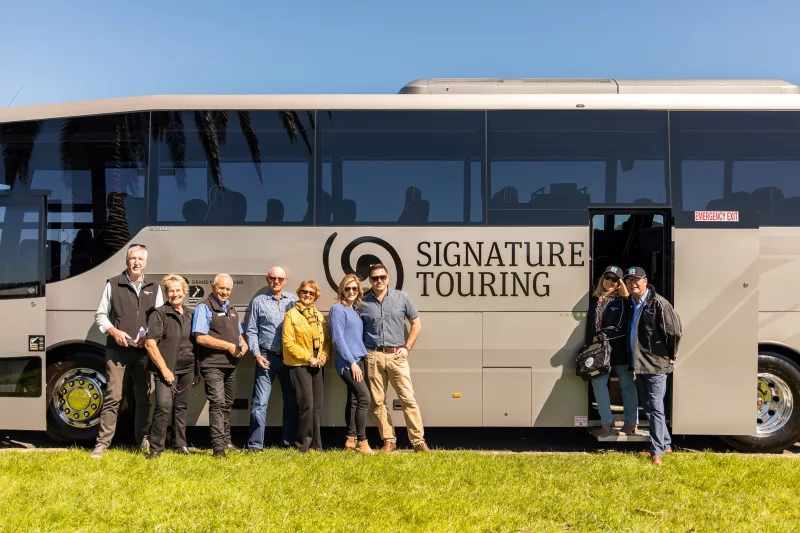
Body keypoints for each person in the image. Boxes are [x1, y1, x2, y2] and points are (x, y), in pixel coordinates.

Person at [91, 243, 163, 458]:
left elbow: (158, 320)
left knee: (143, 398)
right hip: (117, 351)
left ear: (145, 263)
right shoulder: (114, 284)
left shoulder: (155, 287)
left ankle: (143, 439)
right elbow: (100, 315)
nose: (136, 262)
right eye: (133, 258)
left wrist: (148, 337)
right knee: (113, 397)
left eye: (140, 259)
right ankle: (102, 444)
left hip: (143, 352)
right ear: (127, 261)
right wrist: (114, 331)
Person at [360, 264, 430, 453]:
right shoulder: (363, 302)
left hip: (397, 356)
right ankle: (389, 440)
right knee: (378, 402)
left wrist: (407, 347)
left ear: (388, 277)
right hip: (373, 355)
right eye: (375, 278)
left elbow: (416, 324)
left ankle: (418, 441)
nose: (379, 281)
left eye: (382, 277)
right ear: (370, 280)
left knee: (408, 399)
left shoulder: (402, 298)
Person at [623, 266, 682, 466]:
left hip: (656, 365)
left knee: (656, 407)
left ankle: (656, 452)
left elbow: (674, 331)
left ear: (645, 282)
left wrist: (671, 354)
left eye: (636, 280)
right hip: (638, 364)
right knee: (649, 406)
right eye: (629, 281)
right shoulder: (630, 303)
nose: (632, 284)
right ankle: (666, 445)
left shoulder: (659, 303)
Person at [192, 273, 248, 458]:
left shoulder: (231, 307)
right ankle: (218, 448)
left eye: (228, 289)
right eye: (221, 288)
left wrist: (243, 344)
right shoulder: (204, 307)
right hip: (212, 364)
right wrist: (229, 346)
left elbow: (238, 333)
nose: (224, 292)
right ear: (212, 286)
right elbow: (200, 337)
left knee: (227, 403)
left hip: (230, 365)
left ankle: (226, 441)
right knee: (217, 403)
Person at [245, 266, 299, 451]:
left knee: (291, 402)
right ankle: (255, 445)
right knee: (259, 403)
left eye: (280, 279)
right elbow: (251, 330)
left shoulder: (294, 301)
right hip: (266, 357)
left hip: (289, 359)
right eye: (273, 278)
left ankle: (288, 442)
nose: (276, 281)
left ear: (285, 281)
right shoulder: (258, 302)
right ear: (267, 279)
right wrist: (257, 354)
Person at [144, 274, 198, 459]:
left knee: (181, 407)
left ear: (185, 291)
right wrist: (165, 370)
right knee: (164, 406)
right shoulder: (159, 313)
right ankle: (156, 448)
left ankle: (180, 444)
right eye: (171, 291)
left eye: (178, 290)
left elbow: (195, 344)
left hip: (187, 369)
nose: (175, 294)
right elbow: (150, 344)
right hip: (166, 369)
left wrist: (196, 371)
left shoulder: (191, 314)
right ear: (166, 293)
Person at [585, 265, 637, 438]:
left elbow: (621, 327)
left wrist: (600, 336)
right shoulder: (594, 300)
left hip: (619, 350)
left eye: (614, 279)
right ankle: (606, 424)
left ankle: (631, 423)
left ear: (619, 283)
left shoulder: (624, 302)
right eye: (607, 277)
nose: (609, 282)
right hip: (600, 351)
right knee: (598, 383)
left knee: (626, 386)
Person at [283, 280, 330, 453]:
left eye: (311, 293)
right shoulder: (291, 315)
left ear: (316, 296)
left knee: (317, 406)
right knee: (306, 405)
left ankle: (317, 444)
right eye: (304, 291)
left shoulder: (319, 316)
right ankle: (302, 444)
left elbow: (326, 340)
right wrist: (309, 358)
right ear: (299, 292)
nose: (307, 295)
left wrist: (324, 355)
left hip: (317, 364)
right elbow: (288, 343)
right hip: (299, 364)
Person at [329, 274, 373, 454]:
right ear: (342, 290)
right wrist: (352, 363)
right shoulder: (337, 309)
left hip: (358, 360)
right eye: (348, 288)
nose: (351, 291)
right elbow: (338, 340)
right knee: (364, 398)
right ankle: (363, 442)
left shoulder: (353, 310)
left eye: (355, 288)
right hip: (348, 363)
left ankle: (350, 440)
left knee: (354, 400)